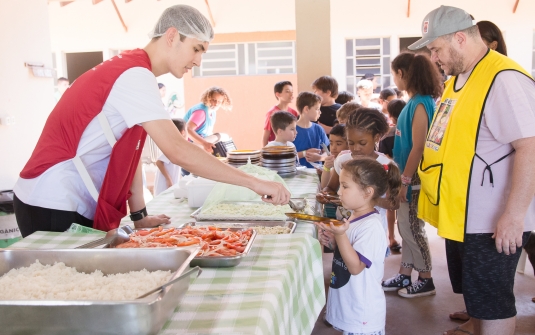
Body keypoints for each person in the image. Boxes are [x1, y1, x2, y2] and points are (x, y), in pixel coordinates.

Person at [13, 5, 290, 237]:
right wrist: (254, 183)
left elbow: (127, 152)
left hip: (58, 201)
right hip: (51, 201)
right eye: (196, 49)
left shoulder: (134, 70)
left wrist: (139, 215)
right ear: (172, 36)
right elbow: (178, 150)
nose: (198, 61)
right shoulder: (134, 75)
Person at [409, 5, 535, 335]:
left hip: (491, 221)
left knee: (492, 303)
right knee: (478, 300)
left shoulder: (503, 78)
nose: (433, 58)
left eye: (436, 49)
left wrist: (514, 215)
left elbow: (530, 146)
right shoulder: (461, 79)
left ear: (461, 39)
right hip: (462, 216)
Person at [381, 52, 443, 298]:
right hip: (405, 175)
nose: (395, 80)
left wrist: (405, 182)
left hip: (413, 177)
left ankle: (426, 278)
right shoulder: (415, 102)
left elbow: (419, 146)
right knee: (405, 227)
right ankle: (405, 273)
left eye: (395, 74)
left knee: (414, 228)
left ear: (402, 73)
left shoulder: (420, 103)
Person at [316, 157, 401, 335]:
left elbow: (355, 267)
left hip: (362, 314)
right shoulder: (354, 216)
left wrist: (340, 235)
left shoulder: (371, 227)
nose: (339, 192)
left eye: (345, 186)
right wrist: (333, 240)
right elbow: (349, 251)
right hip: (349, 305)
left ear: (367, 192)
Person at [318, 108, 397, 235]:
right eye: (350, 143)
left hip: (371, 232)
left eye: (362, 143)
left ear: (376, 137)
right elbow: (331, 187)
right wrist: (325, 194)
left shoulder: (385, 166)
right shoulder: (343, 160)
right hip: (343, 229)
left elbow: (394, 204)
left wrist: (369, 200)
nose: (356, 148)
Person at [378, 99, 406, 253]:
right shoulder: (410, 132)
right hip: (407, 173)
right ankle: (404, 238)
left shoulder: (387, 135)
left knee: (390, 207)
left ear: (390, 115)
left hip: (391, 175)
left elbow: (384, 157)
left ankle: (391, 237)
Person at [184, 86, 232, 153]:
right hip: (189, 146)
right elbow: (188, 129)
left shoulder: (213, 112)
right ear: (208, 98)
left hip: (200, 145)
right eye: (214, 100)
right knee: (222, 136)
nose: (216, 104)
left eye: (219, 102)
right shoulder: (201, 112)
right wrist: (205, 144)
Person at [293, 92, 329, 168]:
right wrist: (305, 153)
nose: (320, 112)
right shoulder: (292, 129)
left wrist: (320, 158)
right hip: (297, 174)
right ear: (306, 109)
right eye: (317, 109)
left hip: (317, 173)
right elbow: (286, 156)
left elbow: (327, 153)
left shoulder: (318, 129)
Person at [154, 119, 186, 196]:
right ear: (183, 132)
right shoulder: (171, 146)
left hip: (171, 182)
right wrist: (168, 179)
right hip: (165, 183)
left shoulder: (177, 146)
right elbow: (159, 162)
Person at [262, 81, 298, 147]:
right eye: (287, 91)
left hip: (289, 148)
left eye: (292, 92)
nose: (291, 94)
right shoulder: (272, 113)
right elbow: (265, 137)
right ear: (278, 94)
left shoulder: (294, 112)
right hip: (276, 149)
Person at [320, 124, 349, 190]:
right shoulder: (334, 160)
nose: (333, 148)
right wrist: (326, 167)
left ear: (349, 144)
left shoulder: (347, 161)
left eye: (338, 144)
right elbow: (324, 186)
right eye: (331, 143)